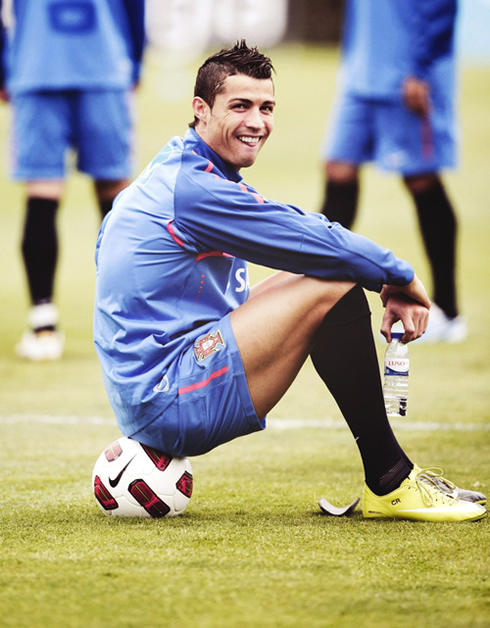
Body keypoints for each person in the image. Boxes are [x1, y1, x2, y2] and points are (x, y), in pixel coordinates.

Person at [94, 41, 486, 522]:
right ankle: (392, 480)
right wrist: (398, 276)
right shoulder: (193, 189)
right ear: (200, 109)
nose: (256, 122)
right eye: (239, 106)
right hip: (168, 398)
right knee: (332, 280)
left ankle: (392, 479)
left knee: (322, 275)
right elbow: (309, 237)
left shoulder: (176, 171)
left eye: (266, 107)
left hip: (152, 389)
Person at [0, 0, 145, 360]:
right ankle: (131, 320)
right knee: (114, 197)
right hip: (104, 64)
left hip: (37, 65)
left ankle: (43, 326)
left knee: (43, 193)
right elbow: (135, 7)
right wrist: (135, 59)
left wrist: (5, 67)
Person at [319, 0, 466, 344]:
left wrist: (421, 68)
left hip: (408, 74)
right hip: (362, 69)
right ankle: (310, 299)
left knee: (420, 178)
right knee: (338, 169)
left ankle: (449, 310)